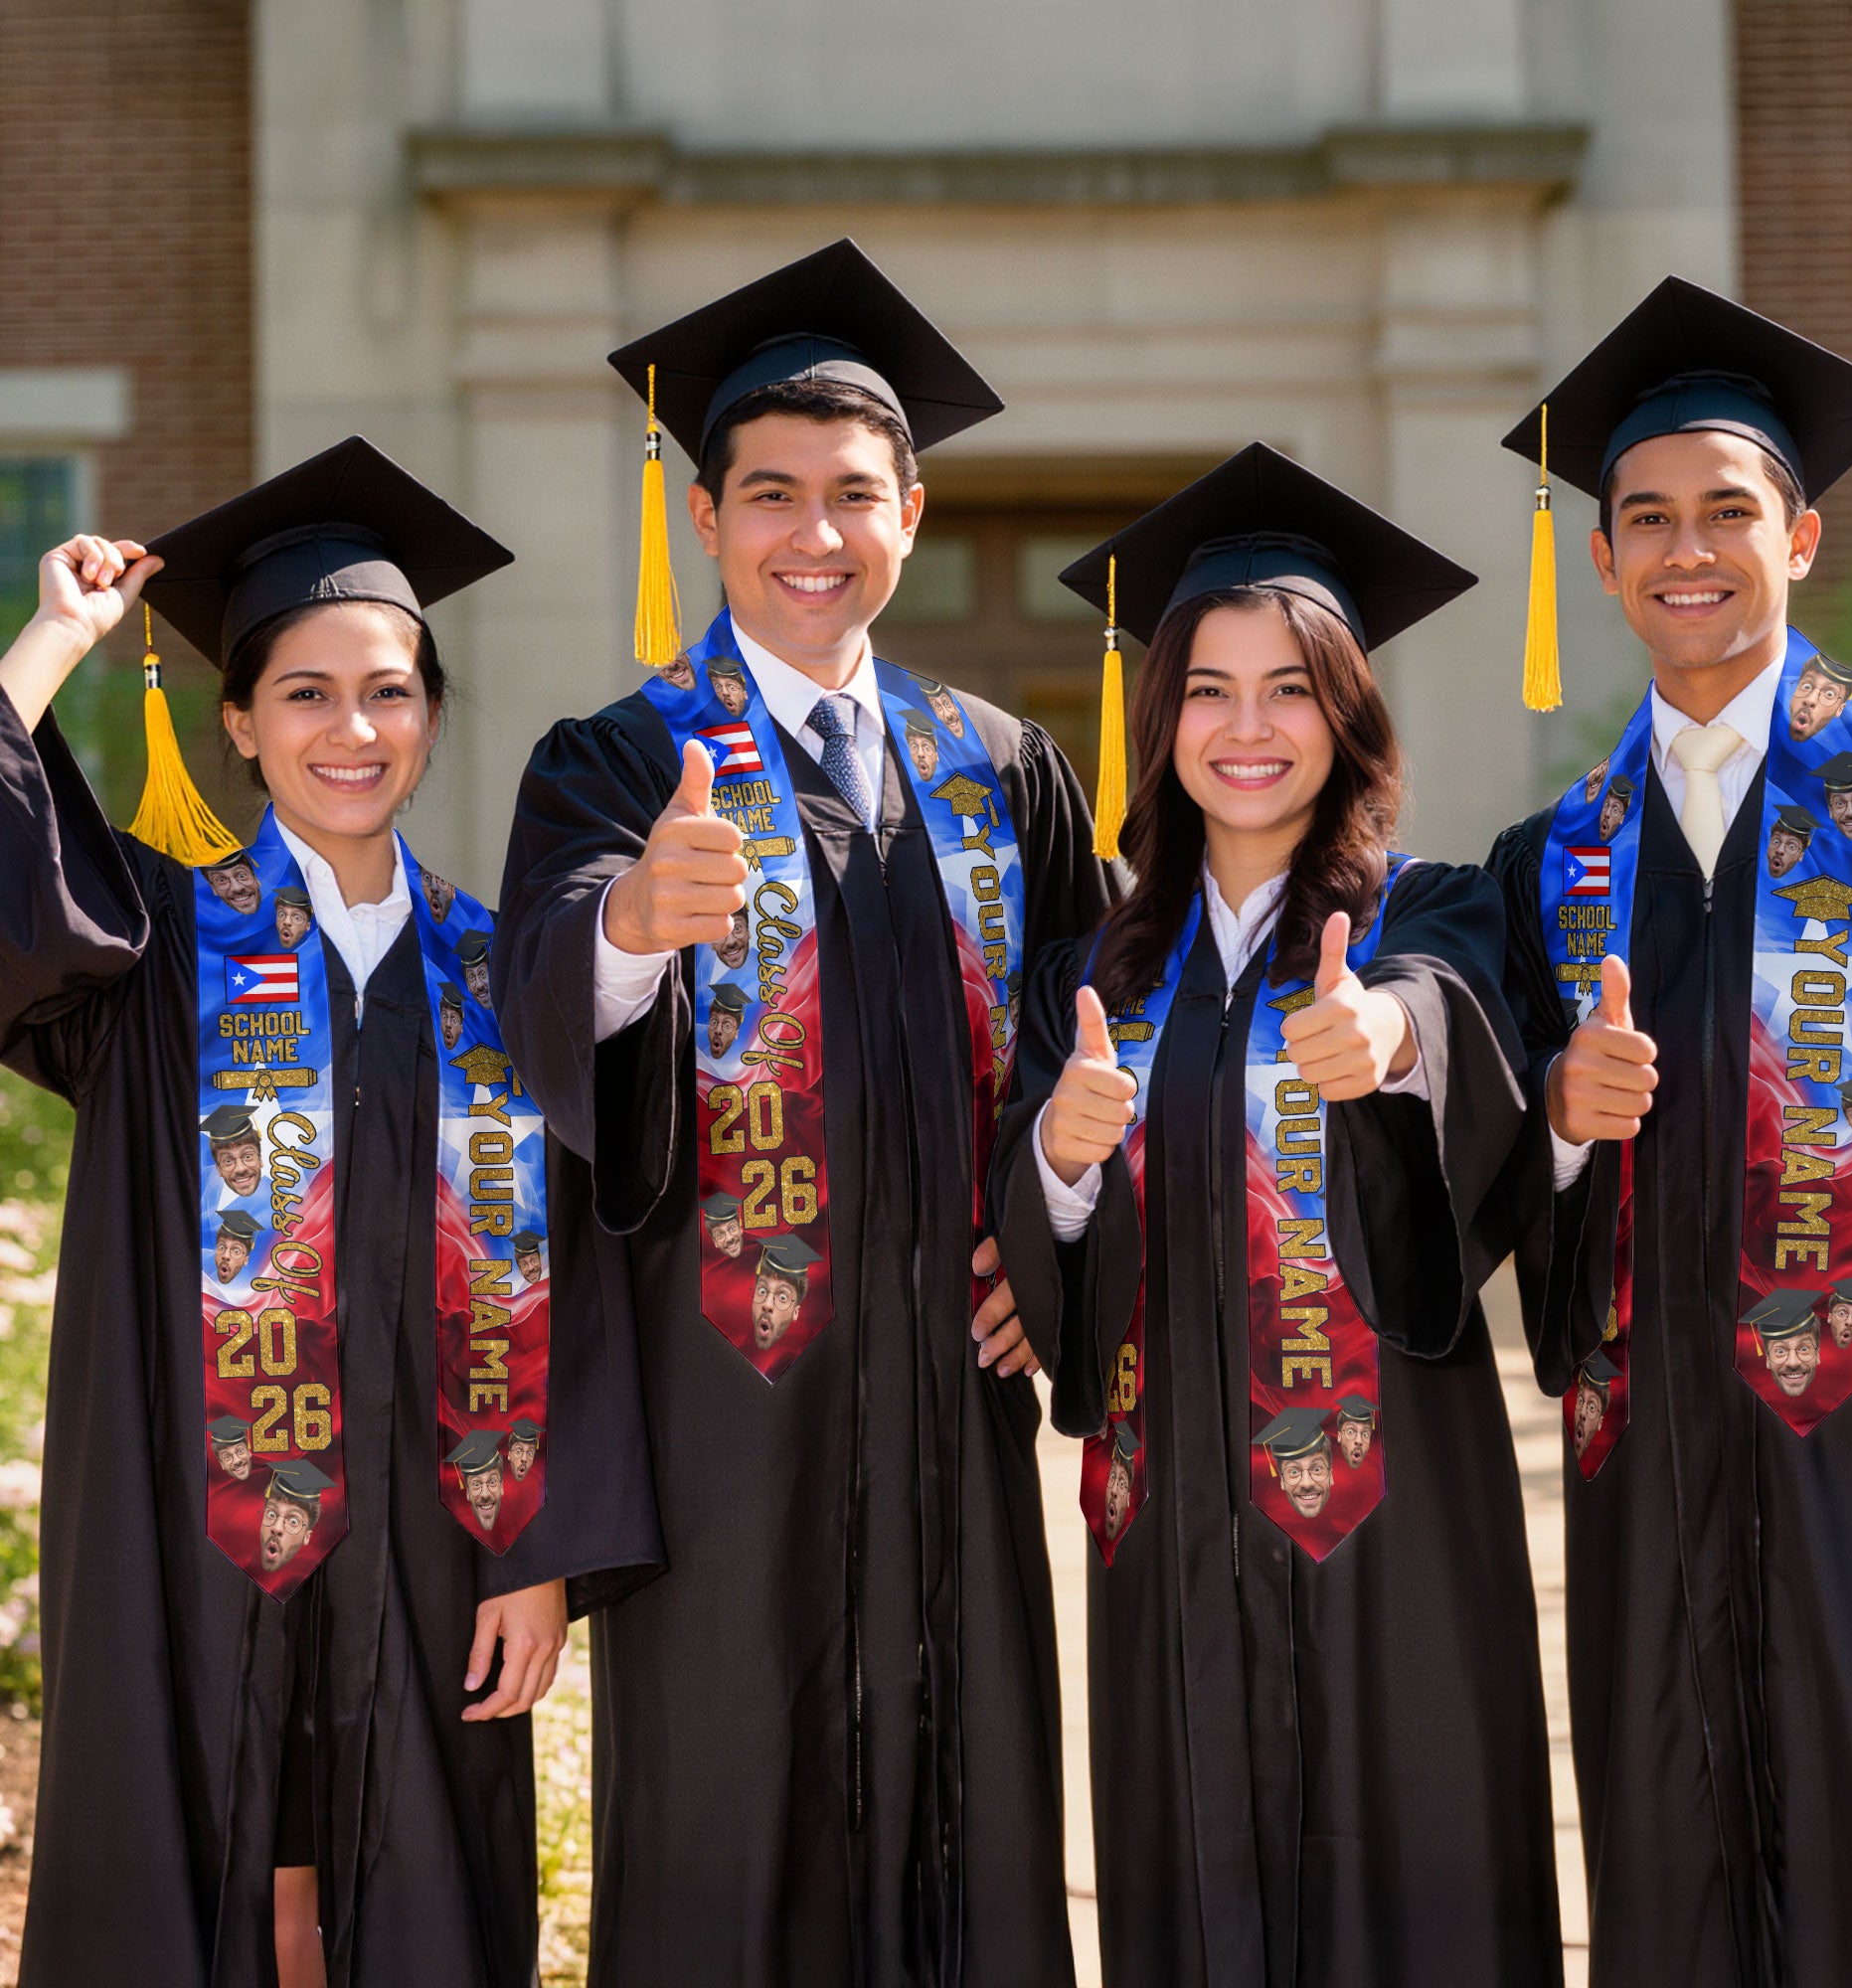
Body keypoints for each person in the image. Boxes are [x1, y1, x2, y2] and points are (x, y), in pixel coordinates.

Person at [495, 239, 1113, 1987]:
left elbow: (1103, 1038)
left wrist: (1057, 1240)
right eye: (771, 495)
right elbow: (541, 997)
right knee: (730, 1825)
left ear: (912, 511)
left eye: (855, 494)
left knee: (970, 1810)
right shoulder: (617, 760)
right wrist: (630, 925)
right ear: (706, 519)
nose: (813, 534)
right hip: (728, 1404)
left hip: (951, 1400)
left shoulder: (1001, 765)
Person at [0, 437, 659, 1988]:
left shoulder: (508, 973)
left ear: (432, 715)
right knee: (200, 1861)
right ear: (237, 722)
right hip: (192, 1522)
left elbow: (590, 1275)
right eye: (304, 692)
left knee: (418, 1889)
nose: (350, 729)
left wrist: (542, 1550)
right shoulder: (156, 947)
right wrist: (53, 643)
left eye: (389, 690)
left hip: (441, 1539)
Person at [992, 443, 1560, 1986]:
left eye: (1293, 687)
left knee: (1418, 1881)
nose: (1250, 729)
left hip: (1397, 1522)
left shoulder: (1431, 912)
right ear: (1160, 716)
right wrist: (1058, 1149)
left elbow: (1458, 1024)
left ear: (1349, 713)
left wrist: (1388, 1043)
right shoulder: (1092, 975)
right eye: (1209, 690)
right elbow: (1040, 1243)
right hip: (1169, 1517)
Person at [1489, 275, 1852, 1987]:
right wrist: (1556, 1123)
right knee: (1672, 1876)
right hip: (1652, 1469)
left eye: (1726, 512)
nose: (1684, 549)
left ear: (1803, 535)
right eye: (1645, 519)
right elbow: (1490, 1178)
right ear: (1607, 559)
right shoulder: (1554, 856)